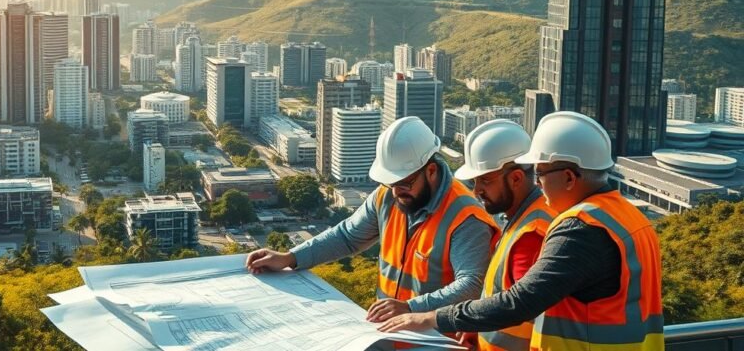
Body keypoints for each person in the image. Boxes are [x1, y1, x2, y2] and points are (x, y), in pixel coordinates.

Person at [377, 111, 664, 351]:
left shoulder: (581, 230)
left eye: (540, 173)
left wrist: (431, 318)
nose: (536, 183)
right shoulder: (626, 216)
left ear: (568, 177)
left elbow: (519, 303)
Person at [246, 116, 499, 323]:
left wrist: (410, 308)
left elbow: (471, 285)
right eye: (390, 183)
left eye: (405, 183)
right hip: (391, 334)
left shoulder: (466, 217)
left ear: (431, 171)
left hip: (437, 339)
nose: (397, 191)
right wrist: (291, 257)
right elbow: (347, 237)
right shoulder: (387, 196)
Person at [452, 119, 555, 351]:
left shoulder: (532, 234)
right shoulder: (521, 217)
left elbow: (521, 311)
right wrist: (478, 328)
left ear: (516, 178)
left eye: (485, 180)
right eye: (475, 181)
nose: (476, 190)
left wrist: (468, 319)